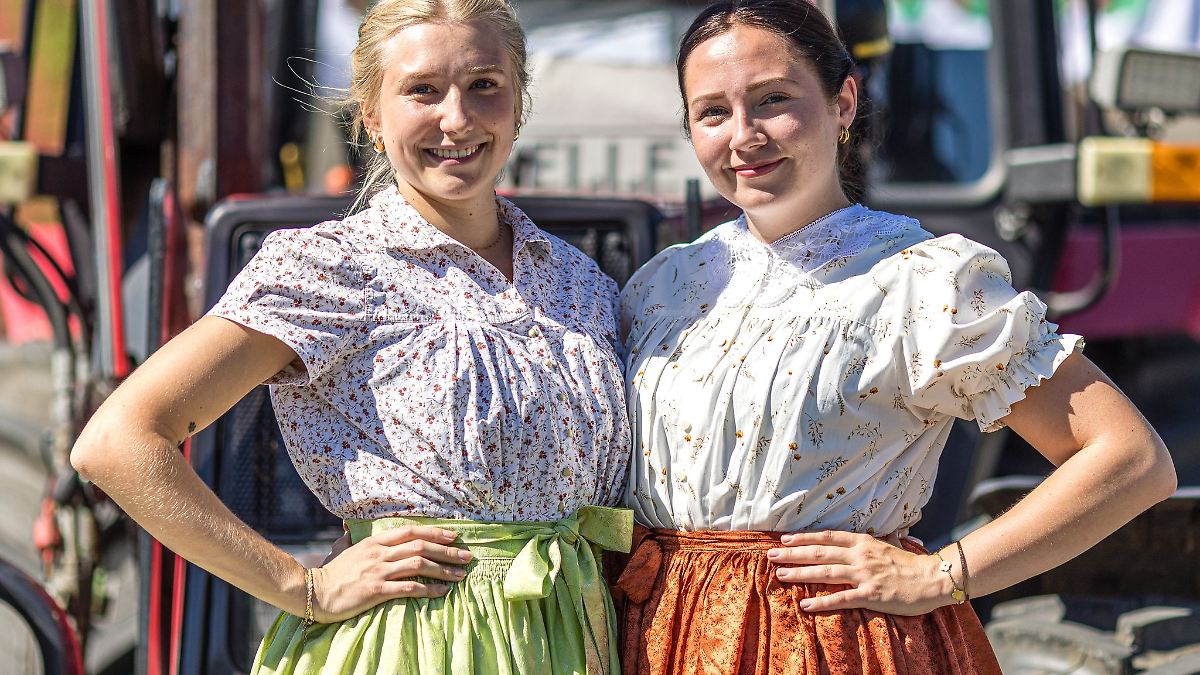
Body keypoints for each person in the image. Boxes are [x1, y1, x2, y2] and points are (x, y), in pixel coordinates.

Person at [70, 1, 632, 673]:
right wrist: (302, 586)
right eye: (422, 90)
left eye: (484, 84)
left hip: (574, 635)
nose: (457, 118)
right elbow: (117, 442)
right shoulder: (332, 267)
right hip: (415, 644)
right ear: (371, 115)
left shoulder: (580, 280)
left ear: (518, 103)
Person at [615, 1, 1177, 673]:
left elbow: (1131, 457)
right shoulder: (663, 284)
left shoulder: (922, 280)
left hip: (831, 645)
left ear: (843, 103)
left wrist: (941, 573)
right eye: (713, 112)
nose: (744, 135)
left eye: (773, 100)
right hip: (663, 635)